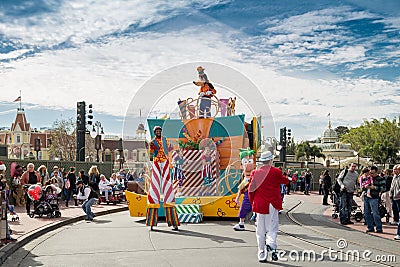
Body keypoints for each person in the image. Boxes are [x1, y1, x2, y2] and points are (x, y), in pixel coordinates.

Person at [248, 151, 289, 262]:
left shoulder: (255, 173)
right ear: (271, 160)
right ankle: (271, 244)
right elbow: (285, 181)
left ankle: (261, 253)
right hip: (272, 204)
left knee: (260, 230)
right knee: (272, 228)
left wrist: (253, 203)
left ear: (262, 161)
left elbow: (250, 190)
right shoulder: (276, 172)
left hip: (260, 204)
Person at [147, 126, 180, 230]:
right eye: (156, 131)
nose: (158, 132)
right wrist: (150, 147)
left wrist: (175, 148)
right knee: (154, 187)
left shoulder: (165, 140)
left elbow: (170, 148)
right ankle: (152, 222)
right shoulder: (153, 141)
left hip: (165, 161)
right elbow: (151, 152)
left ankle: (173, 221)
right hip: (157, 161)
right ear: (154, 132)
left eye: (159, 131)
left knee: (168, 188)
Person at [233, 148, 256, 231]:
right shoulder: (245, 179)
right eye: (245, 162)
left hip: (255, 194)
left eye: (250, 162)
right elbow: (241, 187)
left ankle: (262, 225)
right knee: (244, 207)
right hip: (248, 194)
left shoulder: (255, 176)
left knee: (258, 207)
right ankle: (241, 224)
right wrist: (237, 198)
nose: (248, 165)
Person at [363, 166, 386, 233]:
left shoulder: (380, 179)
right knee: (366, 213)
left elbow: (383, 188)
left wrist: (374, 187)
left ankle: (379, 228)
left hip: (374, 197)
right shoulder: (367, 178)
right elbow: (362, 185)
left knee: (375, 213)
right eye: (370, 173)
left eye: (372, 173)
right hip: (366, 196)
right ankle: (370, 227)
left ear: (376, 172)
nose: (371, 174)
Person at [389, 165, 400, 240]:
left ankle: (399, 234)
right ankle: (395, 220)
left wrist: (397, 194)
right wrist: (391, 194)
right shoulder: (394, 177)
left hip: (398, 197)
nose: (394, 171)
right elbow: (392, 186)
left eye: (395, 169)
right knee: (395, 209)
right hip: (394, 198)